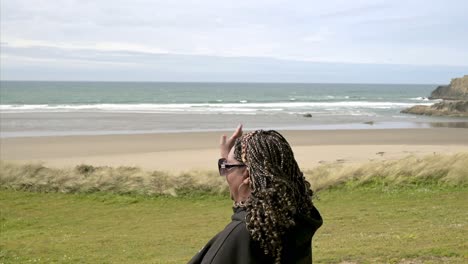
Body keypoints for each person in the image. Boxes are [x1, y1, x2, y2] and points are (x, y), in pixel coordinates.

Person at [188, 125, 322, 264]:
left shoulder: (239, 237)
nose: (225, 174)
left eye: (227, 167)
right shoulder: (295, 221)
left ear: (247, 174)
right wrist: (228, 161)